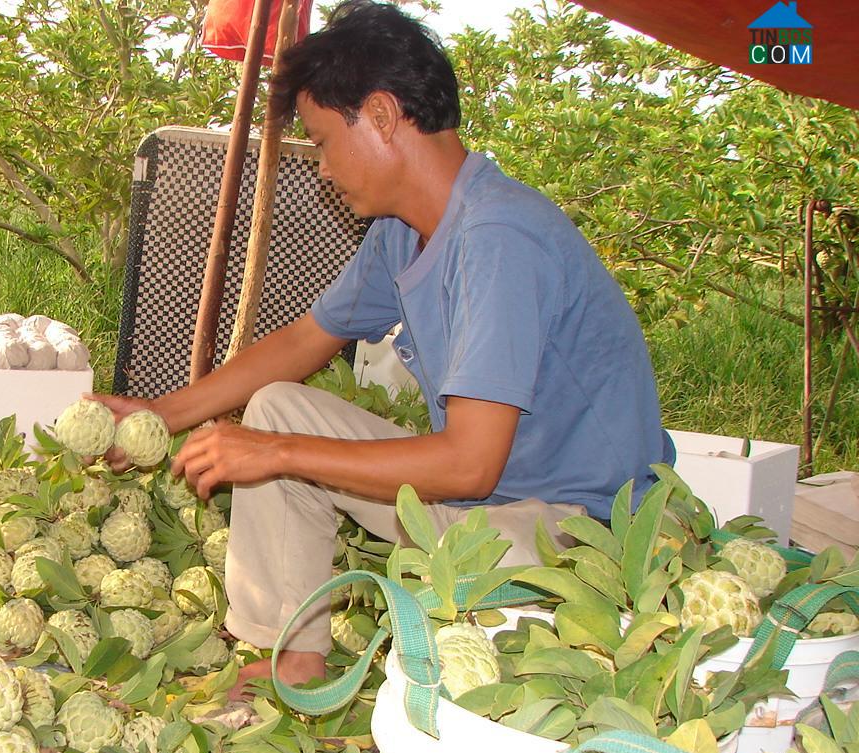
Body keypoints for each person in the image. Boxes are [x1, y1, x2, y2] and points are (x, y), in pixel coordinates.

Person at [93, 0, 674, 695]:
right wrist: (159, 414)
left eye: (324, 141)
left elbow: (469, 465)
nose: (323, 169)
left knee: (283, 444)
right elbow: (305, 340)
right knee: (278, 407)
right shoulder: (404, 231)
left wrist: (275, 454)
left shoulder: (499, 238)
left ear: (381, 115)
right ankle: (295, 651)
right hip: (487, 511)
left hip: (582, 535)